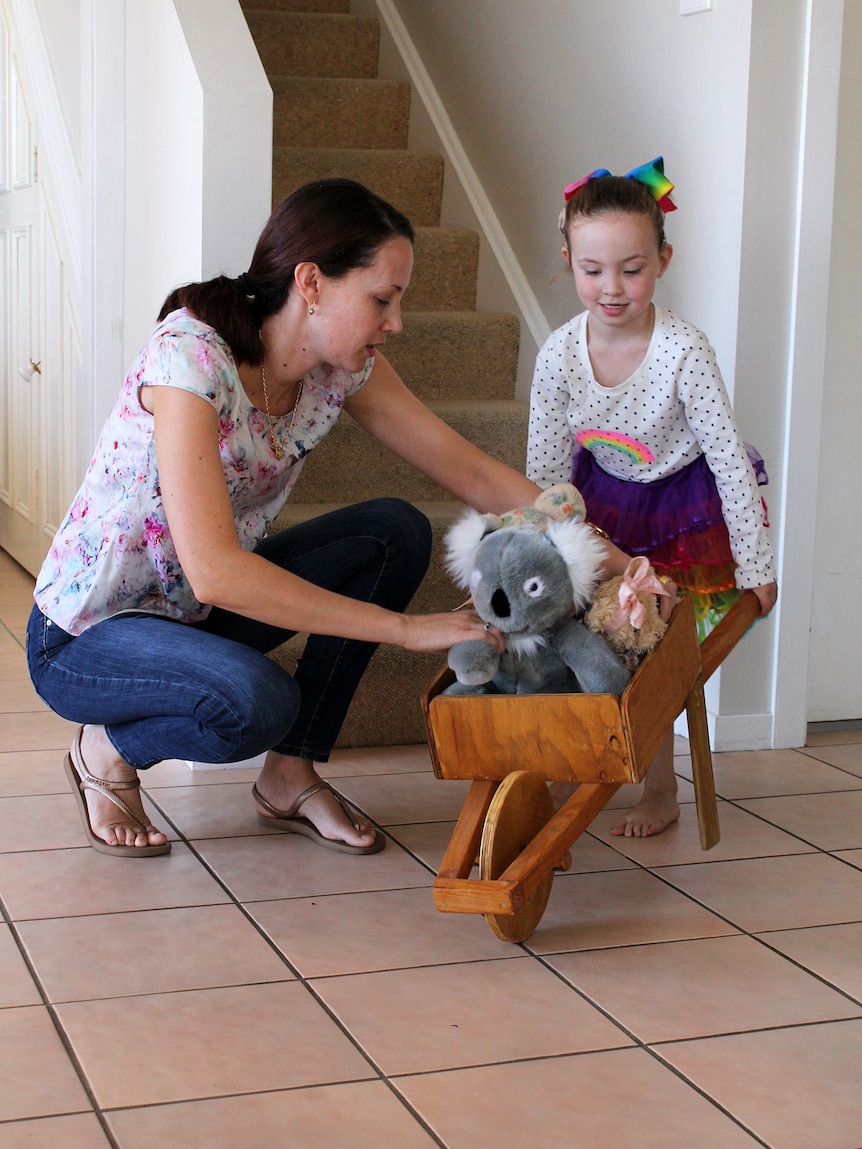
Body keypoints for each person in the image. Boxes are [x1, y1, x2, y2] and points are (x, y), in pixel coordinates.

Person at [29, 177, 630, 860]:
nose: (395, 322)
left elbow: (467, 471)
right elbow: (218, 570)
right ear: (311, 281)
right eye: (382, 298)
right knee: (257, 702)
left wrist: (595, 548)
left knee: (394, 532)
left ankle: (289, 775)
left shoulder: (338, 370)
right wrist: (405, 629)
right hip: (85, 633)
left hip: (189, 612)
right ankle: (106, 745)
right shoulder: (189, 358)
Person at [527, 158, 777, 838]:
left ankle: (660, 787)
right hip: (600, 501)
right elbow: (545, 474)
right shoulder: (558, 354)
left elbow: (727, 457)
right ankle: (567, 760)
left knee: (655, 649)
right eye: (593, 269)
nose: (612, 288)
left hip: (679, 510)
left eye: (632, 269)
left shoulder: (683, 349)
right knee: (583, 634)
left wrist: (756, 568)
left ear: (663, 260)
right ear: (570, 261)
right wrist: (540, 549)